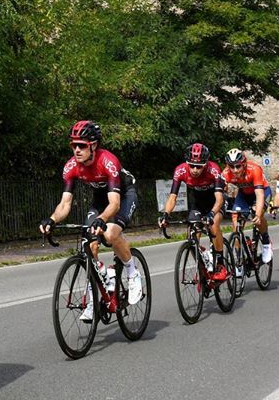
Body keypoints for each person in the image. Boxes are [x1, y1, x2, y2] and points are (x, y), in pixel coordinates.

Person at [39, 121, 143, 320]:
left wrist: (102, 219)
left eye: (82, 145)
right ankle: (96, 295)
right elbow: (65, 204)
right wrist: (52, 220)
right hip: (100, 198)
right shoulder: (71, 166)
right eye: (73, 145)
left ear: (93, 145)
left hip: (123, 195)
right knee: (90, 246)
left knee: (110, 233)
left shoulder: (108, 161)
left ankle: (131, 271)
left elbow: (114, 204)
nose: (77, 150)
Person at [163, 143, 229, 281]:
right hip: (198, 203)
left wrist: (211, 214)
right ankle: (202, 266)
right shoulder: (180, 171)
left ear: (205, 164)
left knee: (214, 224)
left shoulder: (213, 170)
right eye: (191, 165)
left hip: (216, 202)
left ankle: (221, 264)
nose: (194, 169)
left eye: (199, 166)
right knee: (191, 235)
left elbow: (219, 199)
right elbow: (172, 198)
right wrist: (166, 215)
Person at [221, 148, 273, 264]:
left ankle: (266, 243)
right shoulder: (225, 174)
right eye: (231, 166)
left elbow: (259, 195)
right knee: (236, 225)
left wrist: (258, 214)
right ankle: (239, 259)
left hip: (262, 192)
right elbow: (219, 193)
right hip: (244, 194)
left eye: (238, 166)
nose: (235, 170)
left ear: (244, 164)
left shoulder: (254, 169)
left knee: (257, 214)